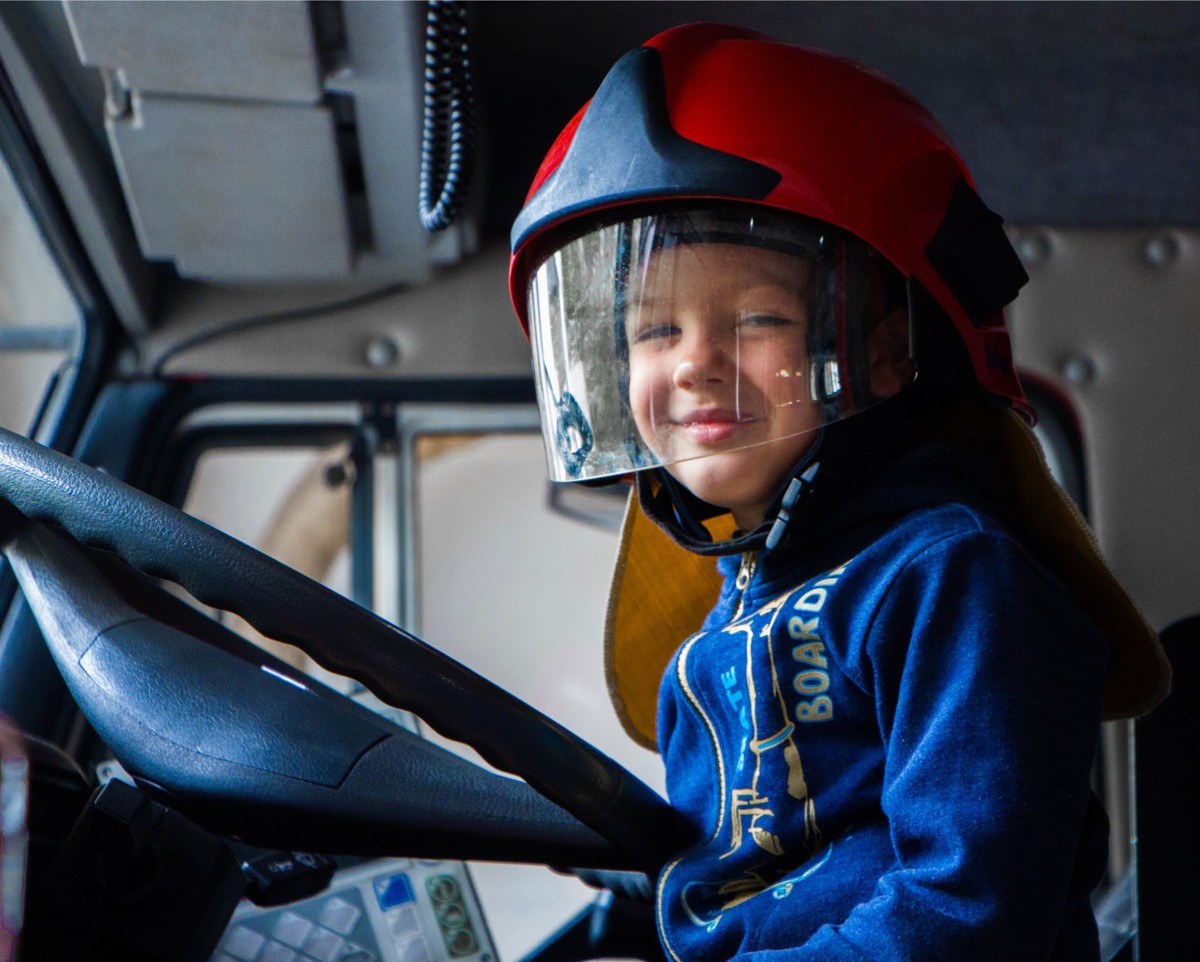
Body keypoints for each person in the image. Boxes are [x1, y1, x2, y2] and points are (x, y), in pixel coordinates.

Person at [507, 22, 1171, 962]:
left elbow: (967, 912)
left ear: (886, 349)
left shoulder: (949, 578)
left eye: (757, 317)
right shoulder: (721, 630)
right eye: (654, 330)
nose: (695, 362)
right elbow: (741, 872)